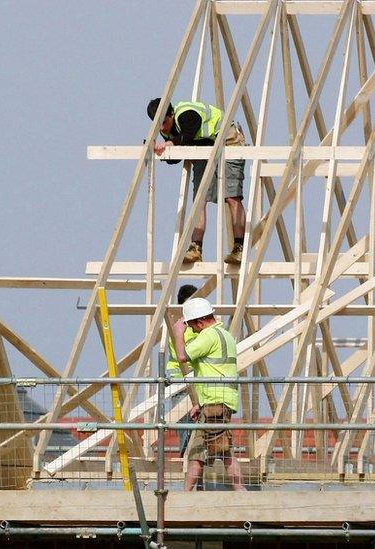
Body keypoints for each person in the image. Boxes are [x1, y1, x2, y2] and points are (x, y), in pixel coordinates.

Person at [147, 98, 247, 265]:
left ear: (171, 114)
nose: (162, 128)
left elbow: (188, 134)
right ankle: (195, 248)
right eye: (158, 125)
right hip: (204, 146)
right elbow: (177, 156)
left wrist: (169, 144)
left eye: (164, 122)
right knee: (200, 199)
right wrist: (163, 151)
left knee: (231, 197)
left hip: (228, 140)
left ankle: (239, 248)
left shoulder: (186, 114)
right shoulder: (166, 128)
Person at [173, 297, 244, 491]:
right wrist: (199, 404)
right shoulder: (225, 335)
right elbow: (213, 370)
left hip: (215, 403)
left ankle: (184, 497)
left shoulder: (208, 335)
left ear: (200, 322)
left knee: (207, 452)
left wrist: (178, 333)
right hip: (217, 402)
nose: (192, 331)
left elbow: (182, 356)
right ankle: (241, 493)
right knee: (218, 450)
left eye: (191, 326)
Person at [165, 283, 200, 454]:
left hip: (192, 380)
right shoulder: (181, 326)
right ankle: (185, 459)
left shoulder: (189, 324)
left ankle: (189, 459)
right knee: (186, 427)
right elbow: (182, 353)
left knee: (192, 426)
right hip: (180, 381)